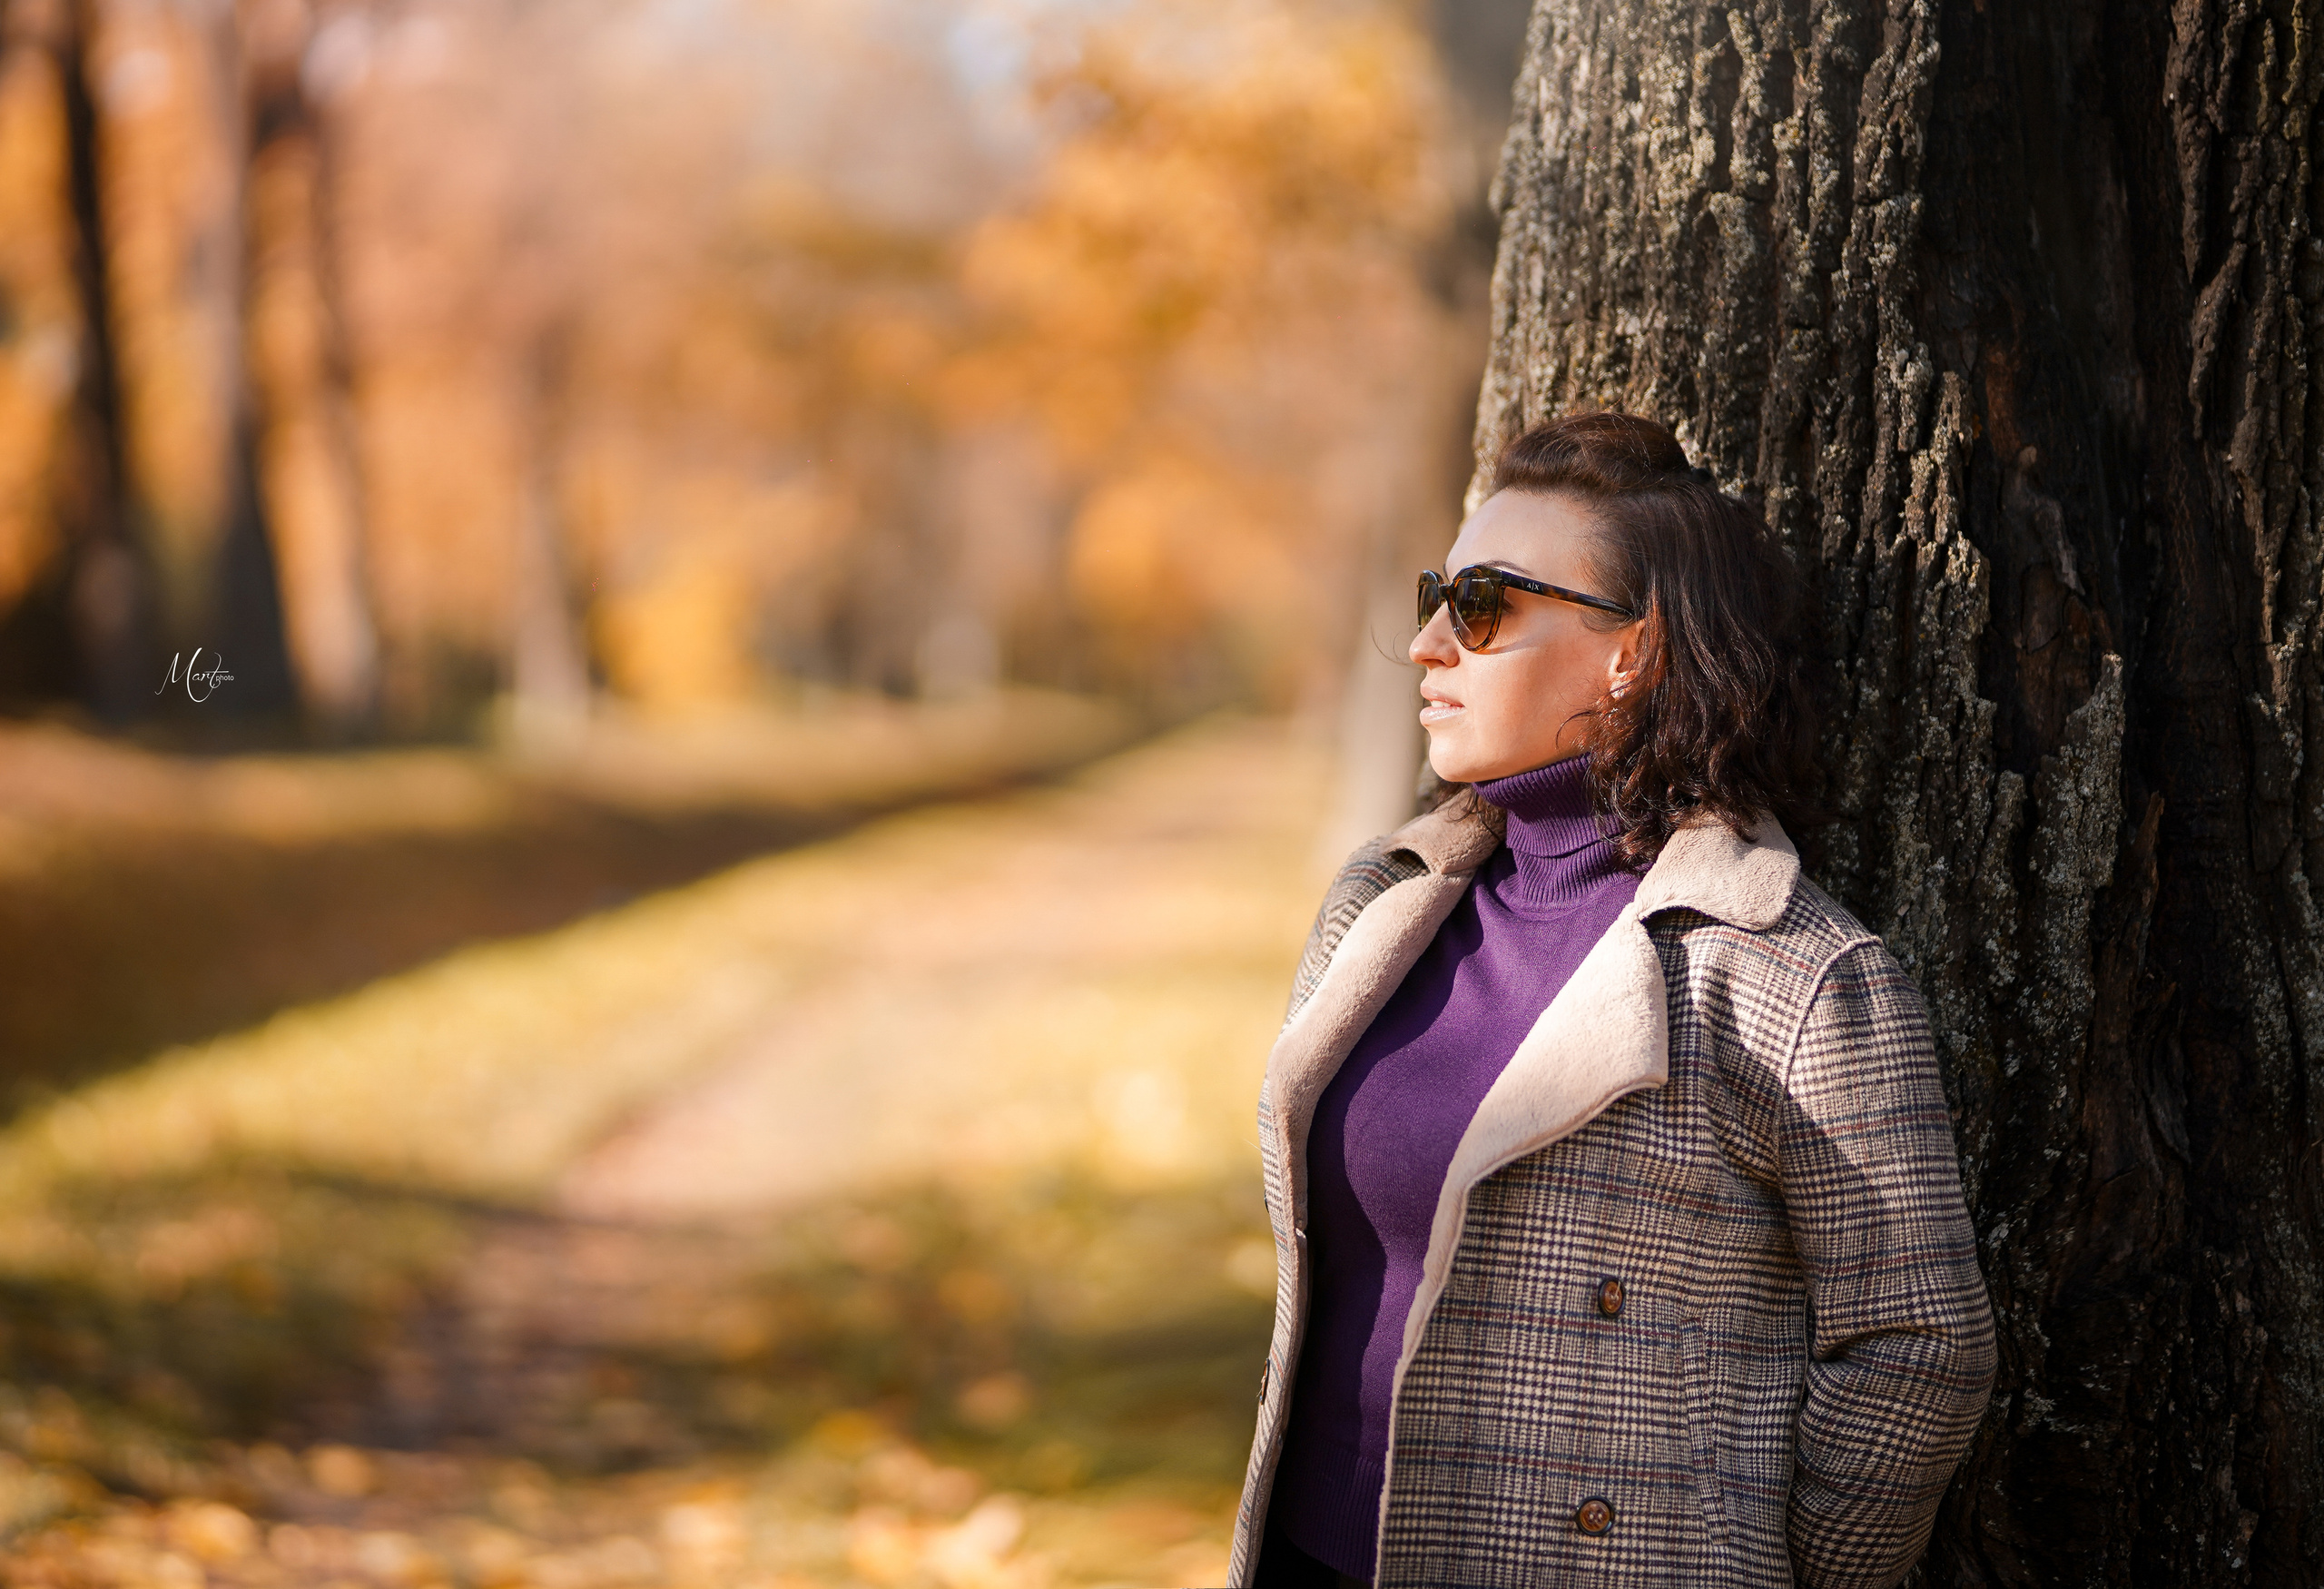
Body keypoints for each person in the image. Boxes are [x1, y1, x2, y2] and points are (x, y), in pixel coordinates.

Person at [1231, 412, 1994, 1588]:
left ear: (1630, 651)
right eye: (1439, 594)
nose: (1429, 641)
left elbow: (1919, 1347)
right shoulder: (1384, 899)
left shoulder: (1789, 970)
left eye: (1482, 604)